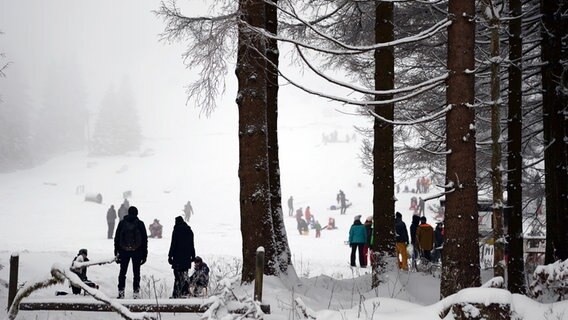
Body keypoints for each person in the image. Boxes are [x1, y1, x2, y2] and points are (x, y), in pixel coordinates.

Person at [114, 206, 148, 299]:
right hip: (137, 252)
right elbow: (144, 240)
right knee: (136, 274)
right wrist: (145, 254)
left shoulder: (122, 223)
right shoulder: (140, 224)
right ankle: (136, 294)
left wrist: (116, 252)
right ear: (137, 213)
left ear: (128, 213)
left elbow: (117, 238)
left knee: (122, 273)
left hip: (123, 252)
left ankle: (121, 293)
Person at [168, 216, 195, 298]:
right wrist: (193, 255)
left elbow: (173, 244)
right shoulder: (189, 230)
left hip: (177, 258)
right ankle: (184, 293)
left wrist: (170, 256)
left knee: (177, 277)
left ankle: (176, 294)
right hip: (186, 258)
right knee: (184, 276)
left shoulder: (176, 230)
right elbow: (191, 244)